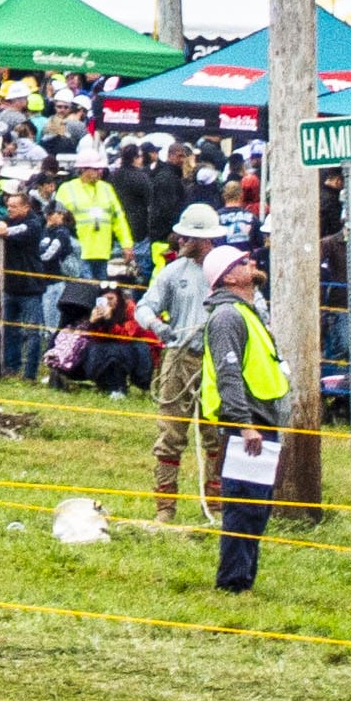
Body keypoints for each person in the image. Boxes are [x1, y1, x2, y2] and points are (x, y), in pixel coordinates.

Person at [205, 246, 292, 596]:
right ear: (228, 276)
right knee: (243, 506)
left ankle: (243, 578)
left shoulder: (246, 312)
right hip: (247, 425)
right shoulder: (228, 316)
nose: (251, 263)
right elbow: (228, 374)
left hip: (259, 423)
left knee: (256, 506)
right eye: (242, 262)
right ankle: (233, 583)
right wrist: (244, 424)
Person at [138, 210, 223, 522]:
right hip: (179, 357)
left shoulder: (228, 271)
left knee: (216, 436)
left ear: (204, 239)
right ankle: (165, 508)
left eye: (188, 236)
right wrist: (155, 325)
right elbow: (146, 305)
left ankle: (215, 505)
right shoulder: (173, 272)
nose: (181, 240)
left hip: (217, 361)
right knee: (170, 434)